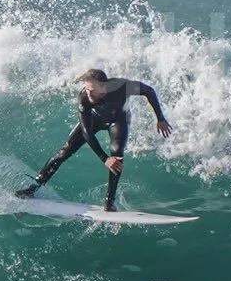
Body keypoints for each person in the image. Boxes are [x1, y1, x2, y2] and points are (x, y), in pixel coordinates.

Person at [18, 68, 172, 213]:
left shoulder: (122, 86)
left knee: (117, 155)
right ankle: (34, 187)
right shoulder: (84, 98)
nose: (87, 93)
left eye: (91, 90)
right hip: (95, 119)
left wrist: (160, 118)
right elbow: (87, 132)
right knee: (64, 151)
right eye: (86, 89)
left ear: (103, 87)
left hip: (118, 120)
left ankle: (109, 202)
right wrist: (104, 159)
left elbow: (149, 91)